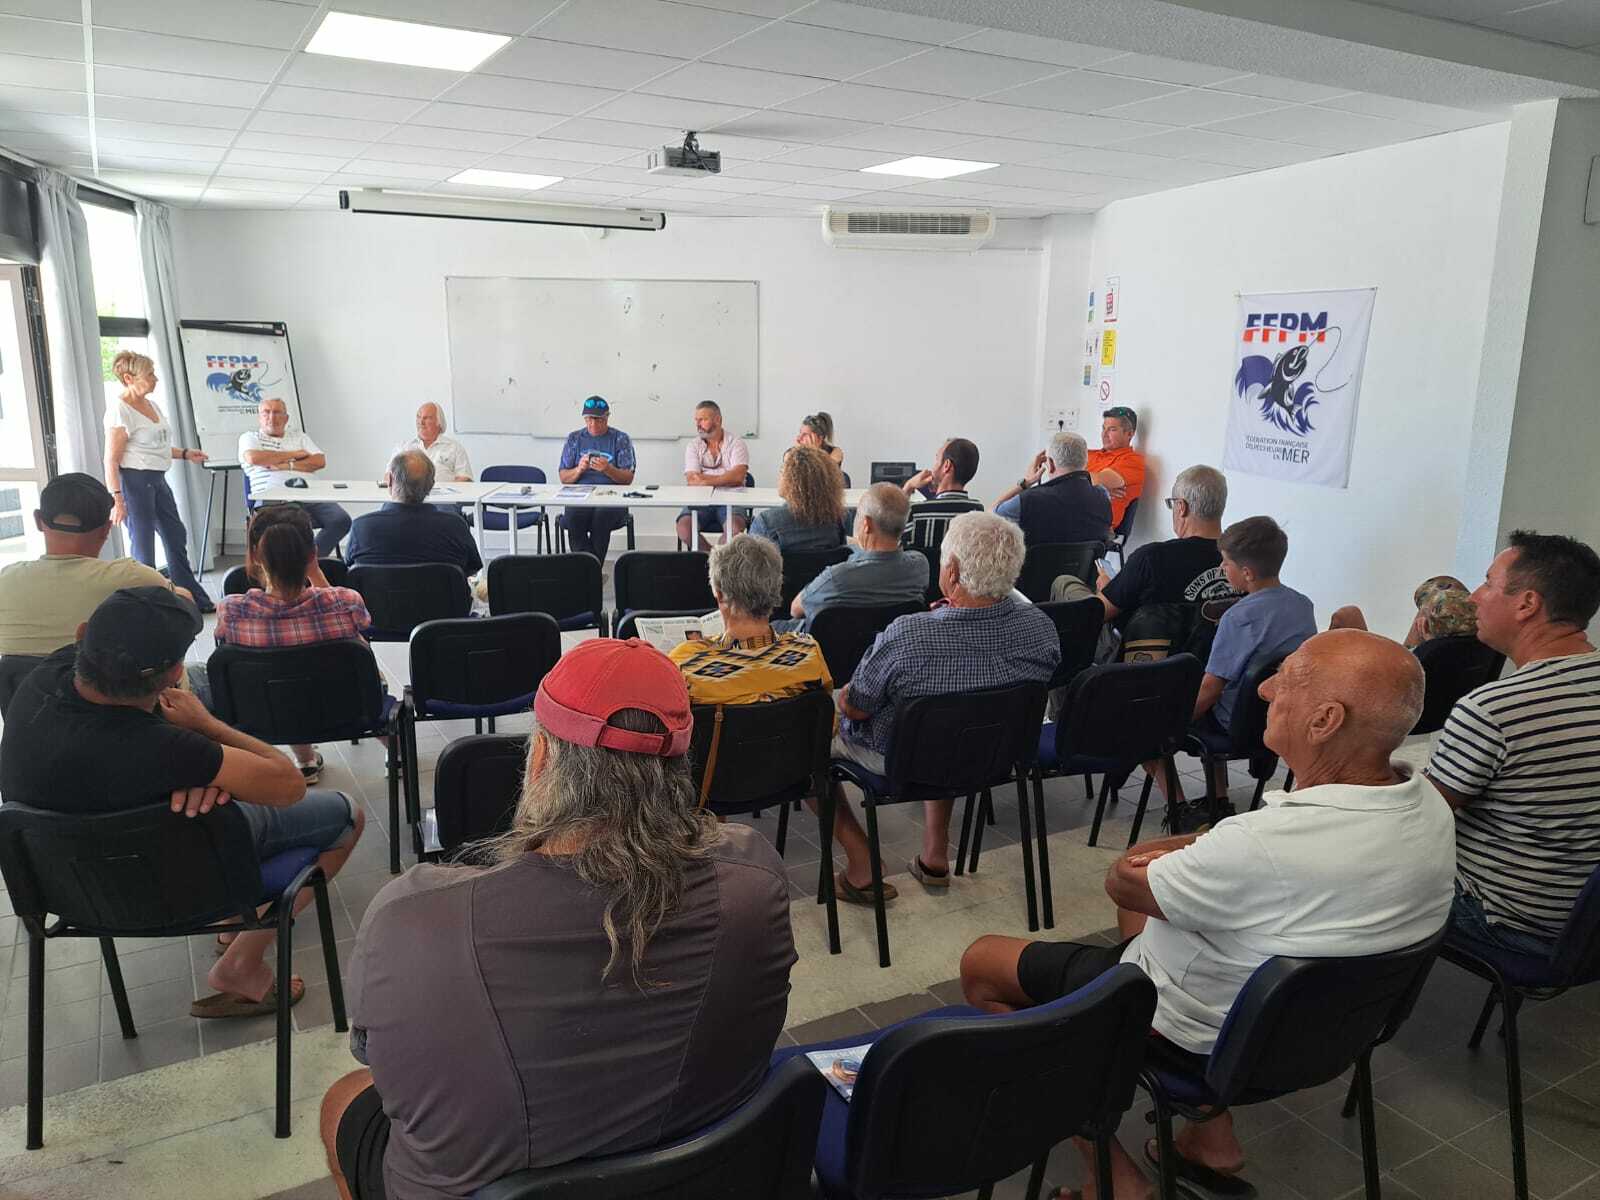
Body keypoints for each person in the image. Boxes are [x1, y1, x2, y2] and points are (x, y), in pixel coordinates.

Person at [959, 630, 1454, 1199]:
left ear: (1325, 720)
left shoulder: (1260, 844)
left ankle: (1114, 1178)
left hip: (1195, 1036)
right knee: (1147, 912)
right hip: (1325, 1035)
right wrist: (1210, 845)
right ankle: (1209, 1136)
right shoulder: (1429, 806)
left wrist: (1183, 843)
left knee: (983, 963)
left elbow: (1123, 879)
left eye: (1287, 678)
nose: (1265, 689)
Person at [322, 637, 795, 1200]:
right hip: (704, 1173)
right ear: (676, 768)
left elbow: (380, 1061)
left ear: (542, 758)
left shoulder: (413, 918)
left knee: (342, 1100)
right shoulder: (755, 879)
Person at [0, 587, 365, 1019]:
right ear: (172, 674)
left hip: (73, 888)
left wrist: (196, 773)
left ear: (83, 636)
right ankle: (241, 963)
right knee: (348, 815)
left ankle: (230, 927)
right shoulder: (169, 749)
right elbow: (288, 785)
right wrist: (208, 728)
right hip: (188, 881)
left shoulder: (39, 679)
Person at [823, 513, 1059, 902]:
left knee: (808, 734)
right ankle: (934, 856)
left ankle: (862, 862)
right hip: (995, 751)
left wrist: (846, 694)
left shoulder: (910, 634)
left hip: (901, 758)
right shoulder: (1040, 627)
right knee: (954, 716)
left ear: (951, 570)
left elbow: (857, 708)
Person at [1427, 531, 1600, 956]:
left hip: (1510, 917)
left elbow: (1421, 816)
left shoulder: (1495, 708)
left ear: (1527, 604)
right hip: (1586, 926)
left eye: (1488, 583)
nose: (1474, 597)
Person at [1152, 516, 1317, 813]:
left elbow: (1211, 689)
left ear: (1247, 573)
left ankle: (1179, 810)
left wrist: (1171, 723)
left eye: (1225, 563)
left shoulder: (1238, 617)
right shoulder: (1302, 605)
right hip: (1284, 716)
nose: (1221, 568)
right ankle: (1217, 799)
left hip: (1237, 724)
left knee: (1149, 723)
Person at [215, 510, 376, 783]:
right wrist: (316, 573)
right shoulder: (346, 601)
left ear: (255, 555)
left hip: (268, 710)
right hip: (348, 709)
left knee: (279, 674)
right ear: (313, 554)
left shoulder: (231, 610)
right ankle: (396, 754)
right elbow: (360, 623)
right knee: (361, 660)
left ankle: (305, 761)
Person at [0, 473, 191, 658]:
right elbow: (189, 615)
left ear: (38, 520)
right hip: (116, 680)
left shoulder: (6, 580)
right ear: (106, 529)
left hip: (21, 681)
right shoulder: (133, 577)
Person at [103, 350, 215, 611]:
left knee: (176, 535)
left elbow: (157, 446)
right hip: (134, 483)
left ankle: (189, 596)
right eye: (149, 375)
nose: (155, 379)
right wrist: (117, 499)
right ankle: (148, 607)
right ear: (129, 378)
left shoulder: (152, 405)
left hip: (157, 480)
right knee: (144, 548)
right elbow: (111, 460)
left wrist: (185, 453)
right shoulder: (120, 411)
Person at [669, 533, 832, 704]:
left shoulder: (684, 664)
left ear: (720, 595)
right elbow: (825, 716)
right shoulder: (809, 653)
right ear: (776, 588)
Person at [1098, 465, 1238, 631]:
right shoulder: (1244, 561)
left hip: (1143, 645)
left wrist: (1108, 588)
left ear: (1181, 507)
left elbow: (1100, 613)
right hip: (1217, 647)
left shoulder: (1151, 558)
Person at [789, 483, 928, 631]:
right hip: (893, 642)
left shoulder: (836, 577)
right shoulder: (920, 566)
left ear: (866, 524)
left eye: (858, 514)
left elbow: (795, 610)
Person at [239, 397, 351, 557]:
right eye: (266, 412)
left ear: (286, 418)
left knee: (341, 520)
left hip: (311, 493)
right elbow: (254, 458)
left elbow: (319, 461)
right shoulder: (250, 437)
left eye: (277, 412)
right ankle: (297, 566)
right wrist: (296, 454)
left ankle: (310, 562)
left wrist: (286, 465)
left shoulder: (300, 437)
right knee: (297, 525)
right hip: (274, 497)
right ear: (259, 417)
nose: (271, 417)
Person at [346, 451, 482, 577]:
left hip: (376, 596)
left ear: (390, 480)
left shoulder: (361, 527)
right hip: (442, 595)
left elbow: (350, 566)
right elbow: (472, 567)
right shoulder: (455, 526)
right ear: (431, 485)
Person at [991, 431, 1113, 547]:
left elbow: (991, 516)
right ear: (1085, 462)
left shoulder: (1028, 500)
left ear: (1050, 463)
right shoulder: (1103, 496)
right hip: (1087, 563)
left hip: (1037, 563)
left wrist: (1025, 483)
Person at [557, 395, 636, 562]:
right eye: (589, 419)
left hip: (611, 498)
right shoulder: (574, 439)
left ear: (607, 417)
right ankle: (590, 570)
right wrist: (579, 469)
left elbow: (628, 478)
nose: (593, 424)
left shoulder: (620, 439)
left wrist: (608, 469)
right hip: (580, 496)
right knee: (573, 517)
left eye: (598, 420)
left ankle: (588, 571)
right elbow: (564, 477)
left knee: (601, 517)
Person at [677, 400, 751, 550]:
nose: (698, 424)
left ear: (718, 419)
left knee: (735, 530)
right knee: (684, 529)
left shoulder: (736, 443)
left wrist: (705, 479)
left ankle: (719, 559)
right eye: (696, 420)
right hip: (699, 499)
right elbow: (692, 480)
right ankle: (712, 558)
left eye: (703, 419)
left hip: (732, 498)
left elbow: (738, 477)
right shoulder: (693, 445)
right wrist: (726, 477)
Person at [1330, 574, 1478, 647]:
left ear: (1424, 629)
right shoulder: (1485, 651)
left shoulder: (1430, 655)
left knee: (1347, 614)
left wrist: (1428, 644)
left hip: (1392, 677)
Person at [749, 446, 849, 552]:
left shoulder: (766, 523)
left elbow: (751, 561)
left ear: (793, 480)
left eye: (782, 471)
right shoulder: (836, 522)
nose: (779, 476)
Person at [901, 437, 983, 555]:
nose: (933, 467)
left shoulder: (916, 513)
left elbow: (887, 536)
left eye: (936, 460)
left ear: (946, 466)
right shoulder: (977, 513)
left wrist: (908, 487)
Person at [1086, 406, 1146, 532]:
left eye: (1112, 429)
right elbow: (1058, 474)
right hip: (1072, 513)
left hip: (1095, 527)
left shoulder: (1132, 461)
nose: (1104, 434)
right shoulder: (1088, 454)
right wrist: (1096, 490)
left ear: (1129, 434)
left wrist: (1076, 479)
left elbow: (1098, 480)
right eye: (1103, 428)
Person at [386, 402, 471, 483]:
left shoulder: (454, 448)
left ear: (439, 422)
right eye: (418, 417)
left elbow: (465, 478)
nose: (421, 422)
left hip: (445, 493)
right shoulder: (403, 447)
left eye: (427, 418)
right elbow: (388, 477)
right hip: (410, 493)